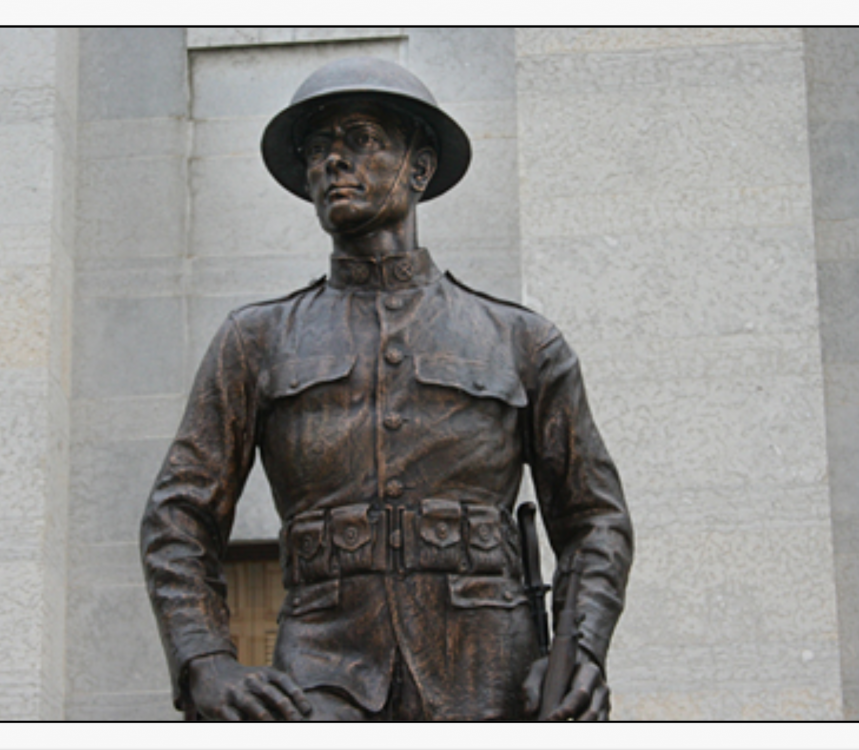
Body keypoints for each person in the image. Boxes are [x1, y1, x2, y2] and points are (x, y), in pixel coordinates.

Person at [140, 56, 633, 721]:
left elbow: (594, 518)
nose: (333, 161)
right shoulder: (256, 340)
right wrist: (204, 659)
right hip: (319, 684)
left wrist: (580, 650)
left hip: (490, 681)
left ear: (420, 168)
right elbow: (177, 515)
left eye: (362, 139)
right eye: (318, 149)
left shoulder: (521, 341)